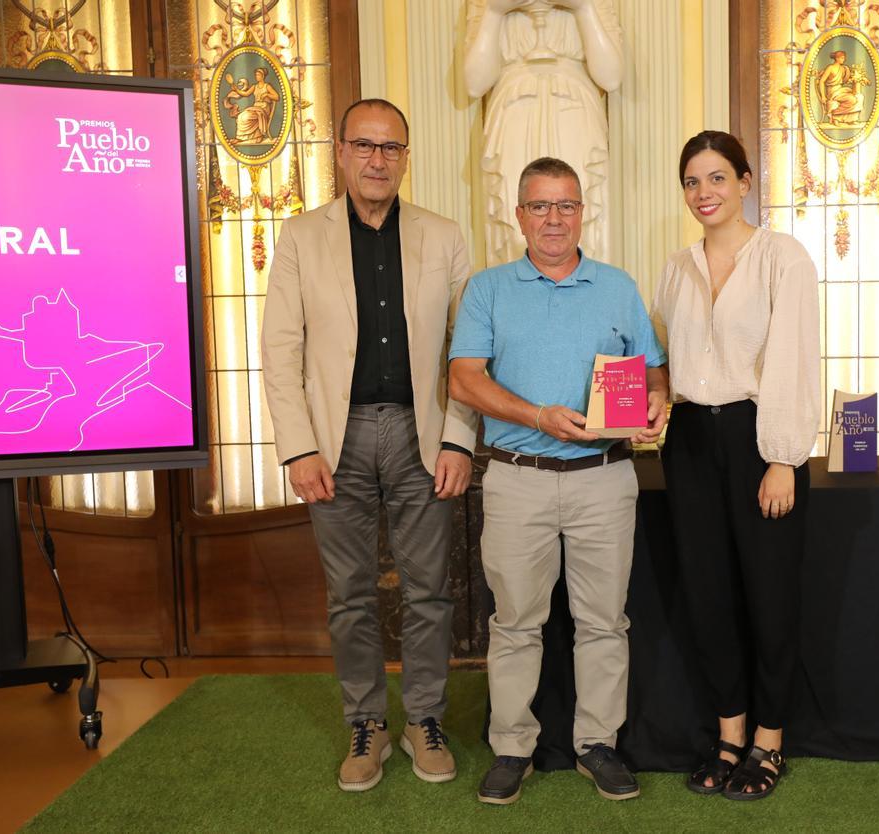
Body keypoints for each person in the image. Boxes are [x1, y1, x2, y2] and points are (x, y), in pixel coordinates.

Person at [261, 98, 478, 792]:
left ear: (405, 158)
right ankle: (366, 722)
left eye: (391, 148)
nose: (378, 160)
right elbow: (280, 350)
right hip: (335, 437)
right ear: (342, 153)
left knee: (429, 593)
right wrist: (298, 447)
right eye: (365, 146)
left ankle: (423, 719)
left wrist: (459, 439)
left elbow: (467, 351)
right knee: (349, 595)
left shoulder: (444, 238)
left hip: (424, 433)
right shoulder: (300, 237)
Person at [448, 156, 667, 804]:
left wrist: (657, 401)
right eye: (540, 206)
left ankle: (598, 744)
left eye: (565, 205)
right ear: (518, 215)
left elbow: (651, 372)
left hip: (605, 478)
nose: (553, 218)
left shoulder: (618, 286)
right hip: (519, 479)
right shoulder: (488, 289)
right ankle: (512, 747)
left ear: (582, 212)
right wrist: (537, 414)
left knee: (604, 622)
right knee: (516, 623)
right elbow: (464, 378)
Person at [651, 131, 819, 801]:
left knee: (770, 598)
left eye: (717, 178)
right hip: (690, 440)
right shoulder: (677, 265)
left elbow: (793, 360)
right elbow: (672, 363)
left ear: (746, 182)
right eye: (692, 182)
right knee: (708, 594)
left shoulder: (783, 258)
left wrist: (781, 458)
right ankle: (728, 734)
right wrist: (648, 404)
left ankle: (769, 742)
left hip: (759, 439)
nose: (704, 193)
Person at [463, 0, 622, 266]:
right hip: (514, 114)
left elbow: (611, 77)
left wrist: (582, 7)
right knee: (516, 225)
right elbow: (474, 83)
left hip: (573, 114)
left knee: (576, 220)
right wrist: (495, 11)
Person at [226, 67, 280, 145]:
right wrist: (236, 90)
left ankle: (257, 136)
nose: (256, 76)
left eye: (258, 75)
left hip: (264, 109)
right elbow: (245, 93)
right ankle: (241, 138)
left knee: (246, 117)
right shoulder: (254, 86)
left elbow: (277, 97)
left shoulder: (267, 86)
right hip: (255, 108)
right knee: (241, 116)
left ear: (262, 76)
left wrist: (267, 94)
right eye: (256, 75)